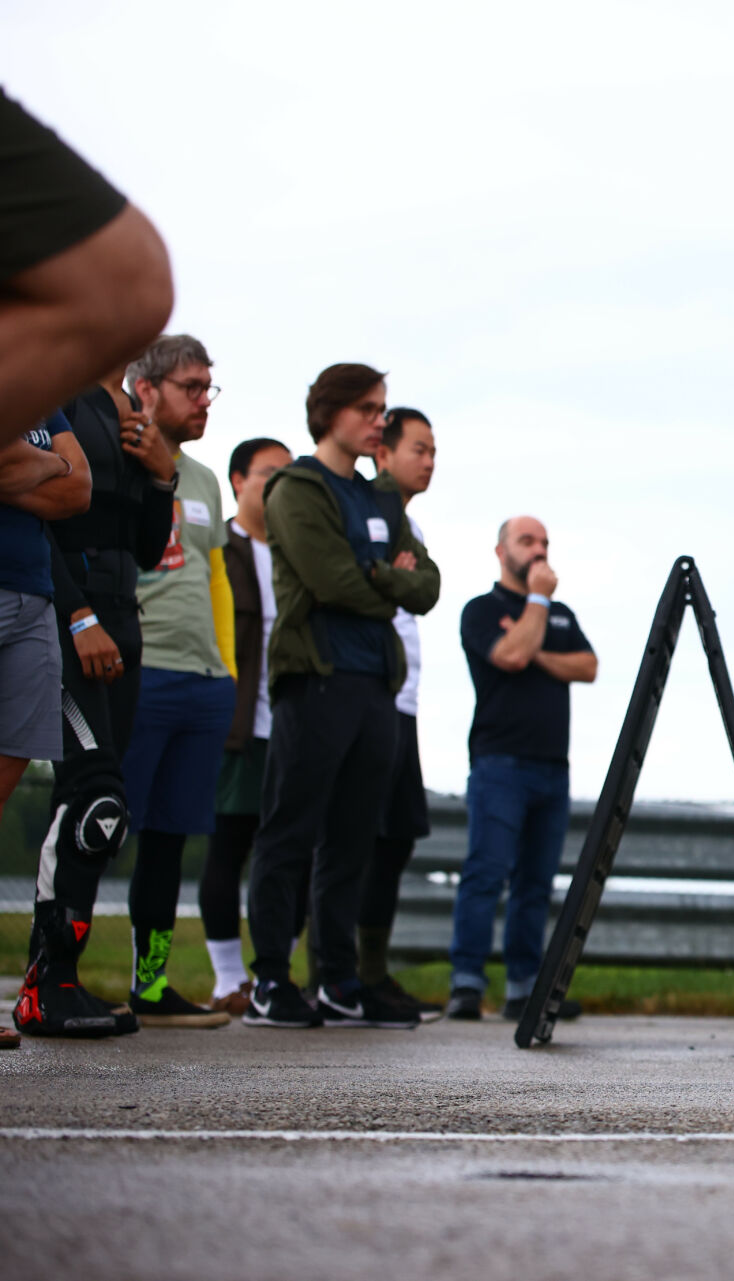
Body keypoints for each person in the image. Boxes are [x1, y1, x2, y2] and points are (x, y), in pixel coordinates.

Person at [243, 364, 439, 1030]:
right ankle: (270, 978)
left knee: (352, 839)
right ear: (330, 412)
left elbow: (430, 586)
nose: (378, 420)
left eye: (383, 408)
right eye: (366, 408)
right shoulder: (297, 488)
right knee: (290, 831)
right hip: (316, 679)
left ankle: (337, 978)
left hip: (374, 687)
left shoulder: (378, 497)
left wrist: (379, 578)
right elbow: (330, 582)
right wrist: (389, 579)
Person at [15, 363, 177, 1037]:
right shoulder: (54, 393)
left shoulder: (128, 414)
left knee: (94, 802)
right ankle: (45, 986)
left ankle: (56, 982)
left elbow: (143, 548)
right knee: (95, 798)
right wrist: (77, 615)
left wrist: (160, 475)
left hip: (124, 622)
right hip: (68, 619)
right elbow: (41, 518)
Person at [115, 336, 238, 1029]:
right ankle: (57, 971)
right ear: (147, 387)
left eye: (209, 389)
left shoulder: (204, 479)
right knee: (99, 829)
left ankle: (151, 982)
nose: (203, 401)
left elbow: (215, 577)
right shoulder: (115, 455)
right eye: (192, 387)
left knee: (168, 839)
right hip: (139, 670)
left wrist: (226, 667)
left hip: (201, 680)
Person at [446, 516, 595, 1021]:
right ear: (500, 551)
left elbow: (588, 667)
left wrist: (537, 651)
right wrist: (536, 603)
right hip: (498, 763)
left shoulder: (561, 614)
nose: (539, 550)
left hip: (553, 767)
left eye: (545, 542)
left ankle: (524, 987)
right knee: (486, 872)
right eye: (527, 541)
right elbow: (508, 655)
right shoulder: (481, 610)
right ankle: (466, 982)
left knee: (536, 882)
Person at [0, 88, 171, 446]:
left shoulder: (119, 410)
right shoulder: (75, 398)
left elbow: (77, 486)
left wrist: (162, 480)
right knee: (129, 284)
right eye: (192, 386)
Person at [3, 411, 91, 1044]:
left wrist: (32, 470)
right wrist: (46, 467)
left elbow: (78, 490)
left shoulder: (47, 399)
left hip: (34, 599)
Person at [198, 436, 292, 1017]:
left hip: (291, 724)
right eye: (267, 473)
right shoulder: (223, 545)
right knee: (228, 846)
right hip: (237, 722)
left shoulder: (292, 549)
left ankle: (273, 974)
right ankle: (228, 977)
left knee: (286, 853)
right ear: (238, 480)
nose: (279, 485)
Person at [356, 407, 441, 1018]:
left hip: (402, 701)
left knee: (396, 838)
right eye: (419, 448)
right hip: (368, 693)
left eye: (434, 450)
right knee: (358, 838)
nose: (429, 461)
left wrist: (401, 578)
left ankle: (371, 969)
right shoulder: (368, 510)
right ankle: (344, 972)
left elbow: (426, 588)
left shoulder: (405, 522)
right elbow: (372, 580)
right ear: (382, 453)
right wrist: (394, 577)